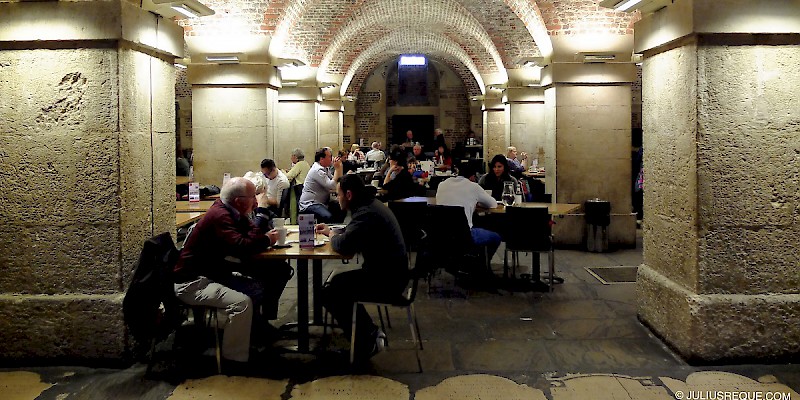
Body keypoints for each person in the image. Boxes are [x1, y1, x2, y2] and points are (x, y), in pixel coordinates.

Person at [173, 177, 294, 365]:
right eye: (253, 196)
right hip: (194, 281)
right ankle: (235, 359)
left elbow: (251, 235)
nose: (256, 200)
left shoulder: (230, 211)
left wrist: (260, 229)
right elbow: (243, 247)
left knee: (276, 273)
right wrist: (261, 214)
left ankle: (258, 329)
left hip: (213, 272)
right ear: (238, 201)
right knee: (246, 300)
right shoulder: (221, 215)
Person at [315, 174, 408, 361]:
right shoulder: (369, 206)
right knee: (336, 285)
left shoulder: (366, 213)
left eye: (338, 194)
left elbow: (344, 246)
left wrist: (333, 236)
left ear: (348, 194)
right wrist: (335, 233)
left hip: (388, 280)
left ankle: (367, 339)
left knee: (330, 292)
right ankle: (365, 334)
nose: (336, 198)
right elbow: (352, 234)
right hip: (390, 272)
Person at [436, 164, 502, 264]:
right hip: (466, 235)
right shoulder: (473, 186)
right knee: (495, 237)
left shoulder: (442, 185)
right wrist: (477, 201)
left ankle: (464, 263)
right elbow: (493, 204)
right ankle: (481, 265)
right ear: (472, 177)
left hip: (442, 234)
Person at [299, 147, 343, 222]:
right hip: (310, 204)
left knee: (340, 208)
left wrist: (340, 169)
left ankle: (337, 230)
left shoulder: (325, 169)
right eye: (329, 157)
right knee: (328, 217)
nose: (331, 159)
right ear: (321, 159)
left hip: (321, 203)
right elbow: (332, 185)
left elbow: (337, 183)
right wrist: (337, 169)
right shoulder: (317, 170)